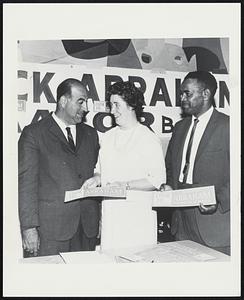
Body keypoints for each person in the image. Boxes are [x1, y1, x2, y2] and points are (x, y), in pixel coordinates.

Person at [18, 78, 100, 257]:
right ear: (63, 101)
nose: (85, 108)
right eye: (80, 101)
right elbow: (26, 185)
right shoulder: (34, 133)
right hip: (51, 231)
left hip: (87, 229)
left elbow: (97, 173)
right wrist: (29, 228)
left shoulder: (91, 134)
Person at [164, 70, 230, 255]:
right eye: (181, 93)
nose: (182, 98)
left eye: (188, 93)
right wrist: (169, 185)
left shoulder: (229, 127)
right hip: (181, 224)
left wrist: (218, 199)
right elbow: (170, 165)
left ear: (206, 94)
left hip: (214, 225)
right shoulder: (179, 128)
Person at [84, 80, 166, 192]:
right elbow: (99, 170)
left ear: (131, 105)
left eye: (117, 105)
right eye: (111, 105)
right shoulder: (107, 137)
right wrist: (97, 179)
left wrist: (125, 185)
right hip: (109, 208)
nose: (112, 111)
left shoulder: (148, 137)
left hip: (136, 207)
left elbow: (157, 179)